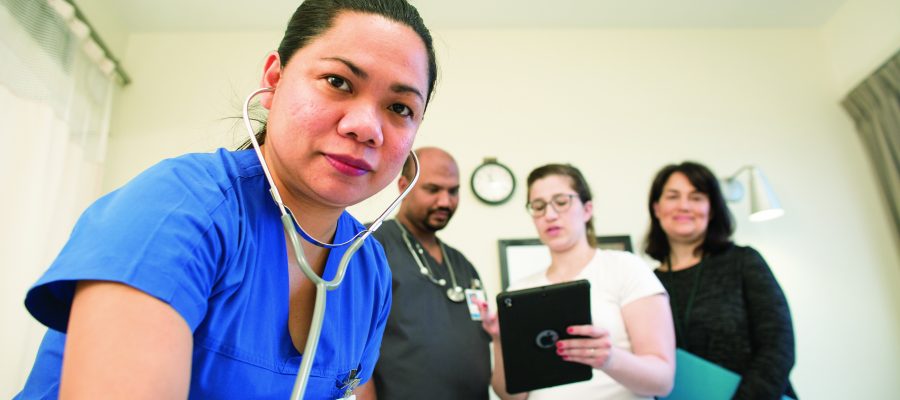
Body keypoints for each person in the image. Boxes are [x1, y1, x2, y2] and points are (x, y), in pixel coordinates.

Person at [15, 0, 437, 398]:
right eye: (338, 82)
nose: (366, 127)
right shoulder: (177, 207)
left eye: (400, 108)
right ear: (274, 80)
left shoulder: (368, 271)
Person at [478, 164, 675, 400]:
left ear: (587, 209)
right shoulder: (519, 291)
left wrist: (609, 358)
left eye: (561, 202)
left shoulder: (626, 268)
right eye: (538, 206)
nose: (549, 215)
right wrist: (501, 341)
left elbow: (662, 382)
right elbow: (513, 397)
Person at [644, 161, 797, 399]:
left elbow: (779, 347)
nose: (684, 206)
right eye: (673, 196)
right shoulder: (647, 284)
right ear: (656, 208)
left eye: (696, 197)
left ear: (712, 209)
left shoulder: (743, 261)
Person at [358, 147, 492, 399]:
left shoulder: (462, 264)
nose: (445, 201)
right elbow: (352, 347)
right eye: (433, 190)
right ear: (403, 186)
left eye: (453, 191)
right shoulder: (372, 245)